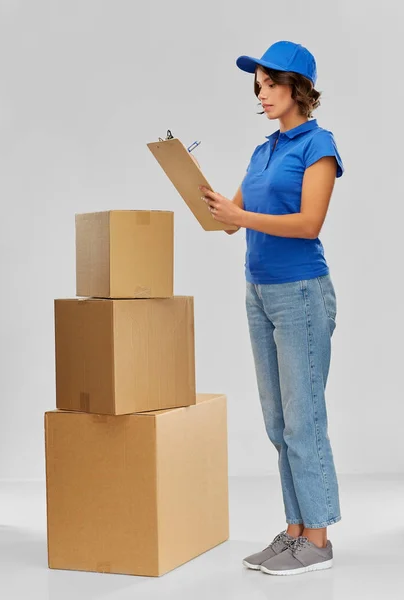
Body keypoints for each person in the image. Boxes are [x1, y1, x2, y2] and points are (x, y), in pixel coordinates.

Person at [199, 40, 344, 576]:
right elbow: (231, 221)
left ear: (297, 87)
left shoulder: (318, 145)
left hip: (302, 291)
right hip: (257, 291)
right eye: (256, 86)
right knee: (279, 421)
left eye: (269, 84)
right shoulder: (262, 151)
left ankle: (320, 539)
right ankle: (294, 531)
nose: (261, 94)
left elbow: (309, 224)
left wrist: (240, 212)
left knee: (304, 418)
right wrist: (200, 190)